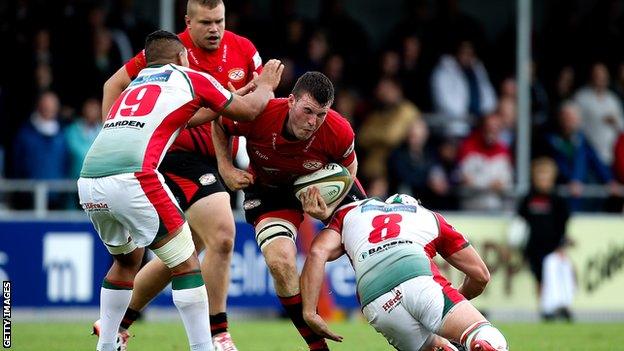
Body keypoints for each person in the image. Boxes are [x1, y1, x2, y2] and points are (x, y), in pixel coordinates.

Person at [80, 30, 283, 351]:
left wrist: (231, 98)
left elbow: (186, 117)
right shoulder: (189, 76)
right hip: (135, 177)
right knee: (187, 263)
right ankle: (205, 345)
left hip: (90, 180)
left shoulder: (139, 84)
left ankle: (107, 345)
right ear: (182, 57)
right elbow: (248, 111)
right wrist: (267, 85)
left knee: (127, 260)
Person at [212, 71, 357, 351]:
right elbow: (220, 123)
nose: (313, 122)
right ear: (290, 101)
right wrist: (225, 167)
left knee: (372, 245)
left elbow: (350, 169)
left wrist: (330, 203)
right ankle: (317, 346)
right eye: (308, 111)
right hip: (270, 192)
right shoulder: (260, 113)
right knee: (279, 261)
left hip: (319, 191)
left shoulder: (339, 130)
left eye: (321, 114)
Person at [299, 190, 506, 351]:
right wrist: (453, 305)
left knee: (436, 347)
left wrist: (309, 312)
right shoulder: (428, 217)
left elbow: (317, 252)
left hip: (374, 301)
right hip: (417, 279)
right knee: (486, 337)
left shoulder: (350, 213)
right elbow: (480, 275)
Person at [517, 157, 575, 321]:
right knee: (540, 277)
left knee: (558, 275)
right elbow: (520, 222)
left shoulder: (558, 200)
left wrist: (562, 245)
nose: (543, 180)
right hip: (534, 246)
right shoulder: (528, 198)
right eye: (540, 176)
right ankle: (545, 308)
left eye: (546, 176)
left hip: (554, 246)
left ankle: (564, 306)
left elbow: (564, 224)